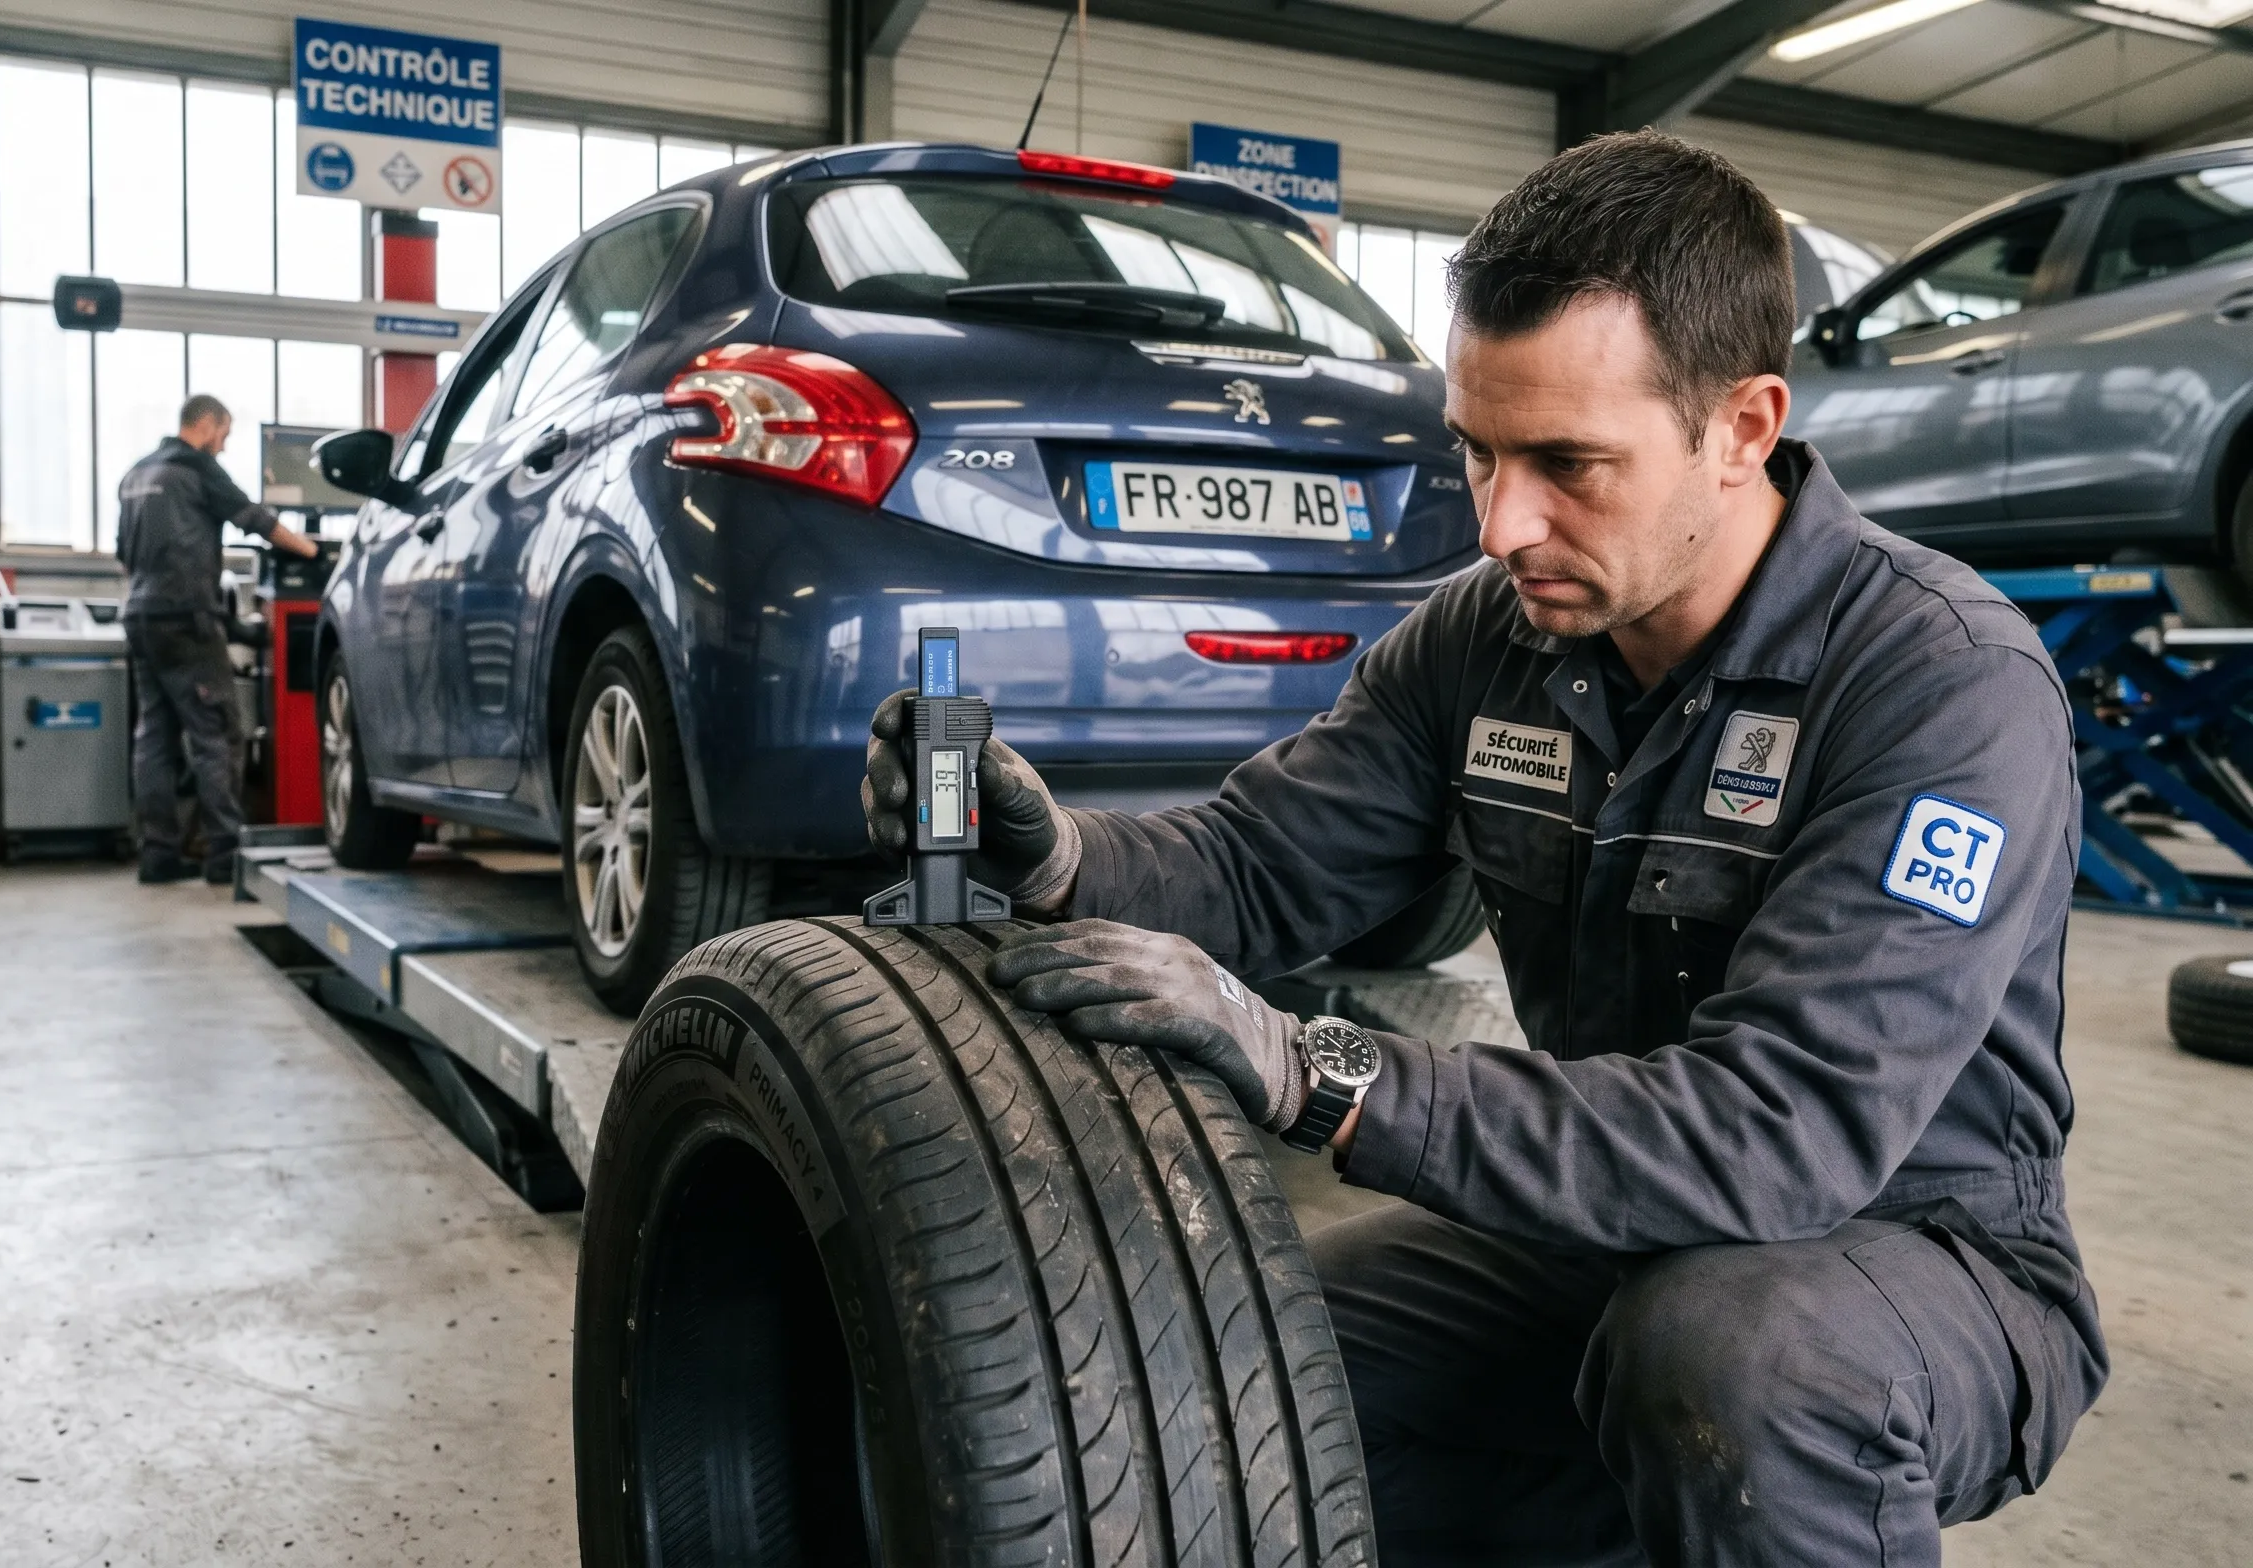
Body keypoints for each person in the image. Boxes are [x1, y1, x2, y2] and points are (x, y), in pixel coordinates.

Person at [864, 131, 2105, 1567]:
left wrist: (1318, 1072)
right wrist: (1061, 856)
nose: (1506, 521)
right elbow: (1267, 867)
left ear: (1746, 427)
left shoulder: (1940, 679)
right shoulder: (1490, 635)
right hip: (1606, 1225)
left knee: (1729, 1360)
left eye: (1570, 462)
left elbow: (1785, 1135)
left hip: (1916, 1261)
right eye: (1478, 449)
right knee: (1223, 1362)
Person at [115, 393, 320, 885]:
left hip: (141, 617)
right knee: (216, 735)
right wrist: (314, 552)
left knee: (154, 739)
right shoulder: (195, 467)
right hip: (188, 621)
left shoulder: (136, 474)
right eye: (224, 436)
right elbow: (255, 519)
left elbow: (124, 554)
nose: (223, 448)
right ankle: (225, 855)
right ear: (206, 425)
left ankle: (158, 855)